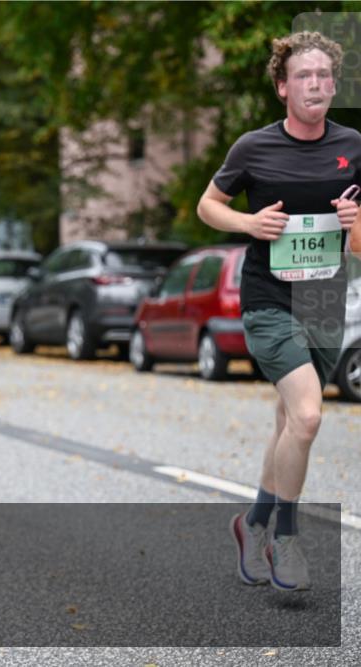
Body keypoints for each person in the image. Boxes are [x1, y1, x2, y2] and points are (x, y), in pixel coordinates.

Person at [197, 31, 360, 592]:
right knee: (308, 416)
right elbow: (208, 205)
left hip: (324, 300)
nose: (314, 84)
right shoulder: (253, 147)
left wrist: (354, 224)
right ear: (283, 87)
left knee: (290, 422)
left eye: (323, 75)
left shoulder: (354, 146)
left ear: (334, 85)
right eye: (303, 76)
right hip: (269, 298)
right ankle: (284, 538)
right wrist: (249, 223)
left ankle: (252, 523)